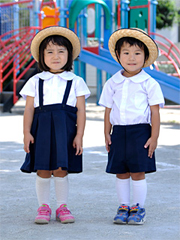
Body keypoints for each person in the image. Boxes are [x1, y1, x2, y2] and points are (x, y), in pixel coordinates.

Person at [20, 26, 90, 224]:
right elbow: (29, 110)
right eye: (49, 51)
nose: (55, 56)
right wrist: (26, 132)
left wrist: (79, 135)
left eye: (61, 51)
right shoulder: (35, 80)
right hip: (40, 129)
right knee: (42, 168)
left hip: (65, 130)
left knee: (61, 168)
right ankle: (43, 207)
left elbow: (81, 111)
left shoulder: (76, 81)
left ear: (69, 54)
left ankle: (62, 206)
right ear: (42, 56)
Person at [99, 28, 164, 225]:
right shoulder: (112, 82)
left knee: (137, 172)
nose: (131, 58)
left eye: (137, 53)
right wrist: (106, 134)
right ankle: (123, 206)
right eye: (126, 53)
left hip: (140, 132)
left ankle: (138, 207)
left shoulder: (149, 83)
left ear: (145, 57)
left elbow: (155, 112)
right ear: (118, 55)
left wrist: (154, 137)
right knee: (121, 171)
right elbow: (108, 110)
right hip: (118, 132)